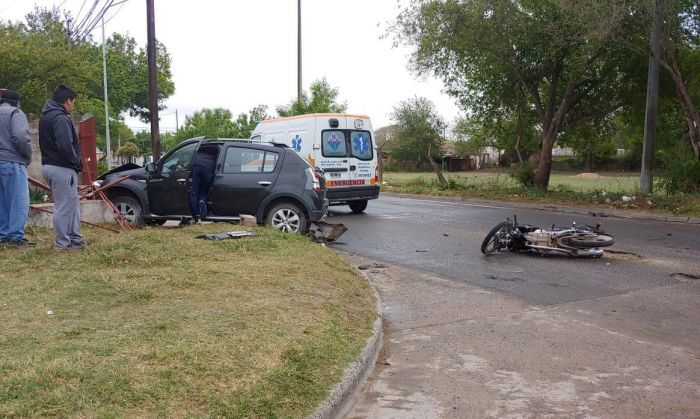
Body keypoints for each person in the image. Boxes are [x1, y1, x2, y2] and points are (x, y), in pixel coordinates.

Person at [39, 84, 85, 250]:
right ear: (68, 100)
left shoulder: (46, 116)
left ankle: (75, 240)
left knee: (70, 205)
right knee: (64, 207)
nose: (73, 105)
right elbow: (65, 146)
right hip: (61, 167)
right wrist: (76, 161)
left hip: (50, 166)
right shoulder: (60, 118)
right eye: (73, 102)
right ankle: (62, 243)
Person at [0, 89, 33, 246]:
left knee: (3, 201)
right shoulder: (15, 113)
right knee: (19, 200)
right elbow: (20, 137)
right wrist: (27, 156)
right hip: (13, 161)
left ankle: (3, 235)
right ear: (16, 102)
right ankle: (15, 237)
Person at [189, 144, 219, 223]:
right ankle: (202, 201)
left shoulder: (200, 148)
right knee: (203, 192)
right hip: (209, 168)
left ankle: (197, 216)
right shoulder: (215, 151)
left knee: (194, 193)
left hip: (197, 165)